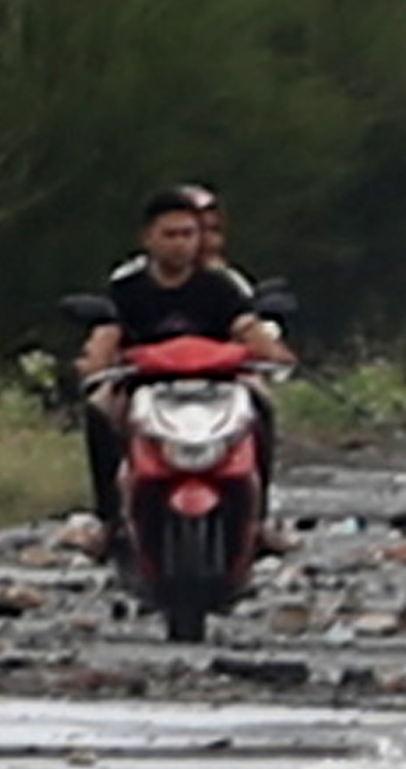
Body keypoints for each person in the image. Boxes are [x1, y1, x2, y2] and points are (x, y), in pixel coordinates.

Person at [78, 183, 287, 541]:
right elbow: (107, 333)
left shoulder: (220, 286)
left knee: (262, 404)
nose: (180, 243)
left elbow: (246, 327)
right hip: (143, 383)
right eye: (170, 234)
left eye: (188, 234)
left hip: (219, 383)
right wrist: (94, 367)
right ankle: (110, 519)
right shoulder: (127, 287)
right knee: (97, 409)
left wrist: (275, 354)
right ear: (148, 238)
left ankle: (259, 519)